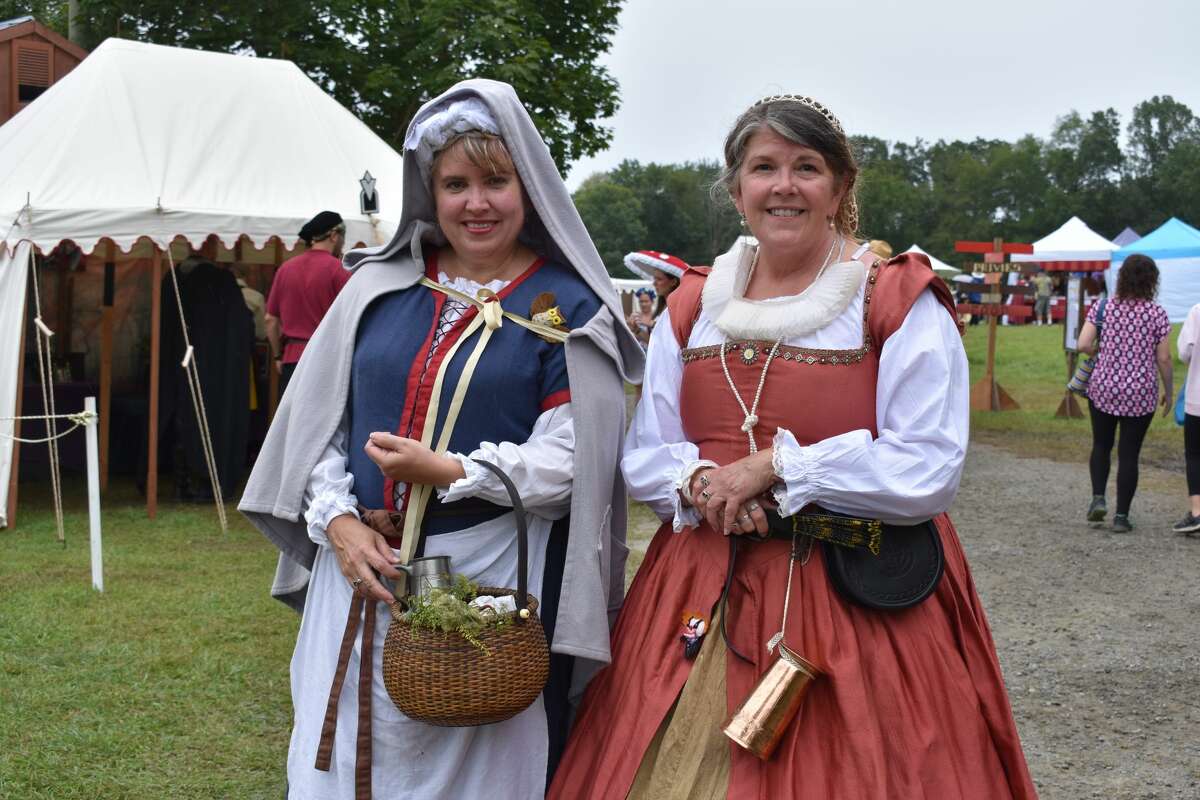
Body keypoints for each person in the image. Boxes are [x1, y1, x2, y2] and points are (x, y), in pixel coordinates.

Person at [549, 94, 1037, 799]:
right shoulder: (689, 304)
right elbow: (649, 450)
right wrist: (702, 486)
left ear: (840, 187)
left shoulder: (895, 296)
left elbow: (928, 466)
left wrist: (777, 466)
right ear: (737, 189)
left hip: (857, 594)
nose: (784, 185)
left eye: (806, 167)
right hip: (701, 579)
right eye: (764, 167)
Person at [238, 79, 642, 799]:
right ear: (430, 191)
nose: (476, 203)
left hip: (492, 572)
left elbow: (572, 459)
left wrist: (451, 469)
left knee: (474, 761)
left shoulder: (567, 309)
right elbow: (316, 429)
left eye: (496, 181)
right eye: (456, 183)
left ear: (531, 187)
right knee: (341, 755)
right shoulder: (377, 290)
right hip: (359, 565)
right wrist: (336, 521)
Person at [1078, 254, 1171, 533]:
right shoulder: (1157, 314)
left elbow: (1083, 344)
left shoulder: (1102, 308)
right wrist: (1169, 390)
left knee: (1101, 445)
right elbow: (1164, 359)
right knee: (1130, 454)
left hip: (1103, 387)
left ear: (1121, 278)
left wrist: (1102, 352)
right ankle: (1121, 516)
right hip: (1140, 393)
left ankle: (1097, 498)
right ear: (1151, 281)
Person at [265, 211, 352, 396]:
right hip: (325, 361)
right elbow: (351, 318)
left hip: (291, 360)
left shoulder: (285, 269)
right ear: (334, 236)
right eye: (343, 238)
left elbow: (270, 320)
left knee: (291, 423)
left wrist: (278, 356)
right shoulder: (339, 270)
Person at [1174, 301, 1200, 534]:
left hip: (1198, 397)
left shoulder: (1197, 311)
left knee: (1194, 455)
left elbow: (1185, 352)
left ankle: (1197, 512)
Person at [624, 250, 687, 317]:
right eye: (641, 301)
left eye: (659, 279)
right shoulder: (661, 309)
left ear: (673, 282)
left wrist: (651, 325)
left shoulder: (678, 310)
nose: (654, 283)